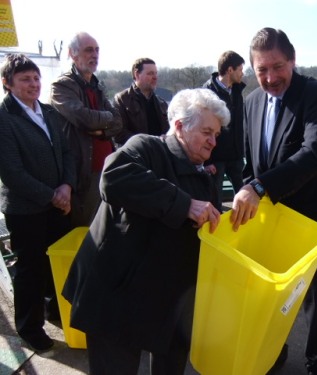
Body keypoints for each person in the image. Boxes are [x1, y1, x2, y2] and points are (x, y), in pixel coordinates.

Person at [61, 88, 229, 375]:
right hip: (117, 295)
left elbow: (206, 223)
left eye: (216, 134)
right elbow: (112, 178)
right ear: (179, 126)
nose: (213, 141)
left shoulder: (202, 173)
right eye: (206, 132)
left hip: (168, 300)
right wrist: (184, 204)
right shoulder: (145, 147)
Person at [229, 28, 317, 375]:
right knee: (273, 296)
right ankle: (274, 351)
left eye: (277, 67)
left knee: (316, 300)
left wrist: (261, 188)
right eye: (261, 70)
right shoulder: (250, 102)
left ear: (293, 60)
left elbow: (316, 152)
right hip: (273, 219)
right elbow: (252, 162)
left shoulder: (316, 95)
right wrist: (247, 189)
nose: (270, 77)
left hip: (314, 220)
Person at [0, 54, 76, 352]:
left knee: (55, 264)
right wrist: (52, 195)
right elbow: (12, 173)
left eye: (35, 78)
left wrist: (67, 187)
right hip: (26, 209)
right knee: (31, 270)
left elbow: (67, 153)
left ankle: (57, 312)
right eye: (25, 80)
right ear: (7, 84)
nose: (33, 84)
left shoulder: (48, 112)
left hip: (59, 203)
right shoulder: (5, 119)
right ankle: (30, 328)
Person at [50, 31, 122, 227]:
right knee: (86, 229)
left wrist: (102, 130)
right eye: (88, 50)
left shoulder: (96, 85)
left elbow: (118, 122)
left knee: (107, 227)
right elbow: (85, 119)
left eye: (97, 50)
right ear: (73, 54)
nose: (95, 55)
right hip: (84, 173)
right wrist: (106, 119)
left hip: (106, 168)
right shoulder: (62, 86)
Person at [202, 50, 246, 210]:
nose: (242, 73)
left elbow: (240, 125)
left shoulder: (237, 91)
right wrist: (207, 160)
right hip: (216, 158)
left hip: (235, 156)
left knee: (244, 199)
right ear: (229, 70)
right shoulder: (207, 93)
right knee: (216, 202)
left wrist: (242, 152)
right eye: (240, 69)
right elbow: (202, 128)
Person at [113, 57, 170, 147]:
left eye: (156, 73)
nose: (155, 77)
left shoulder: (161, 103)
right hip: (135, 157)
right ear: (137, 74)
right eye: (150, 73)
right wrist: (148, 141)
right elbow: (119, 134)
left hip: (159, 156)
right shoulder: (122, 100)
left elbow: (170, 130)